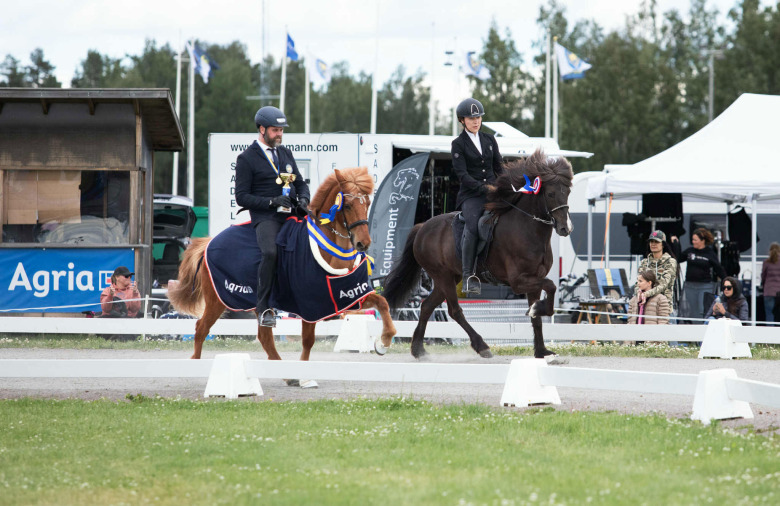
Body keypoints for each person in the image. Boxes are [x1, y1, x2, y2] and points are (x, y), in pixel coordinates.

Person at [235, 106, 311, 327]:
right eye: (275, 130)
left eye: (281, 130)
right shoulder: (246, 158)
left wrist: (304, 200)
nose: (280, 134)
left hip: (291, 213)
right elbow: (242, 197)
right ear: (262, 129)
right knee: (270, 252)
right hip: (266, 217)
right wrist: (271, 201)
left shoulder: (285, 153)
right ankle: (263, 307)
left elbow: (299, 183)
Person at [450, 97, 504, 294]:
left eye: (478, 117)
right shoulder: (458, 144)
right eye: (471, 118)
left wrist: (509, 184)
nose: (476, 121)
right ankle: (468, 276)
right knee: (473, 226)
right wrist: (485, 188)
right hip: (471, 195)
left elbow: (498, 167)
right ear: (462, 120)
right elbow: (462, 175)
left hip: (494, 192)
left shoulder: (489, 140)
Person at [672, 228, 727, 324]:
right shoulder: (690, 251)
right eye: (692, 240)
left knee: (702, 308)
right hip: (690, 285)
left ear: (703, 240)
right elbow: (678, 258)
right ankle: (694, 331)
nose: (693, 242)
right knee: (692, 309)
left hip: (704, 286)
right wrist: (676, 245)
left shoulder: (710, 253)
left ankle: (702, 329)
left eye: (695, 240)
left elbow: (718, 268)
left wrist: (725, 281)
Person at [635, 230, 679, 315]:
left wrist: (646, 294)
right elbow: (638, 283)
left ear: (663, 244)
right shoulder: (644, 262)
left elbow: (663, 284)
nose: (653, 244)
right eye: (651, 241)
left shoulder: (670, 262)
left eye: (656, 242)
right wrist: (638, 292)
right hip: (645, 306)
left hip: (663, 307)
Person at [760, 242, 780, 322]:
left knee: (769, 314)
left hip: (769, 291)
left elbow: (763, 276)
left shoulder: (766, 262)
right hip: (779, 292)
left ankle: (770, 334)